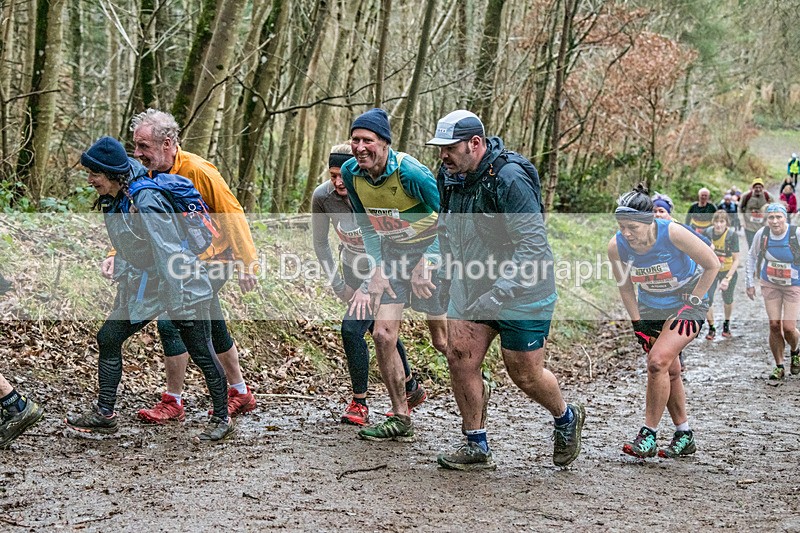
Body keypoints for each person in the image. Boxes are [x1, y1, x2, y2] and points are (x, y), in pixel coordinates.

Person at [427, 109, 584, 471]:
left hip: (523, 289)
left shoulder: (510, 178)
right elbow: (447, 228)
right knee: (460, 356)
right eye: (440, 148)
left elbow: (532, 245)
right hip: (473, 284)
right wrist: (444, 279)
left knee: (525, 375)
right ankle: (476, 446)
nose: (443, 156)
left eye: (449, 148)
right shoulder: (449, 176)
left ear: (475, 144)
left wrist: (500, 292)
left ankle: (565, 417)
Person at [65, 136, 233, 440]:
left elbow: (169, 253)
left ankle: (222, 417)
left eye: (94, 175)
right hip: (147, 285)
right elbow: (134, 244)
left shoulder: (146, 200)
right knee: (109, 336)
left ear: (111, 173)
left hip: (182, 282)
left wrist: (178, 300)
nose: (89, 180)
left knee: (200, 350)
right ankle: (105, 413)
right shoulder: (118, 192)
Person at [121, 109, 259, 423]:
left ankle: (173, 401)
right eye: (136, 146)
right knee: (213, 322)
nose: (137, 153)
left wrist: (247, 264)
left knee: (174, 319)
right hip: (182, 263)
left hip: (215, 259)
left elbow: (233, 214)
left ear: (167, 143)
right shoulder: (145, 177)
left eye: (144, 146)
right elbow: (135, 220)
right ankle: (239, 391)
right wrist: (117, 253)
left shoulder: (198, 170)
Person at [340, 108, 448, 442]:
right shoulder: (350, 172)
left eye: (367, 140)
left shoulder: (411, 173)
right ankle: (401, 415)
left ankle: (476, 384)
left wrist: (427, 261)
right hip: (392, 254)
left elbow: (449, 216)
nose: (360, 147)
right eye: (355, 139)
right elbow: (367, 226)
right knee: (383, 335)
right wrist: (377, 268)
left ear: (385, 144)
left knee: (445, 341)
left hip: (433, 250)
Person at [311, 143, 426, 426]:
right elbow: (320, 242)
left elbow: (389, 242)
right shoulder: (323, 197)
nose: (338, 182)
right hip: (351, 267)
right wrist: (338, 284)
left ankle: (359, 402)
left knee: (352, 329)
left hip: (385, 270)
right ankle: (410, 387)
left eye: (343, 174)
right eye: (332, 175)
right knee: (378, 328)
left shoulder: (373, 192)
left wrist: (366, 288)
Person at [608, 185, 719, 459]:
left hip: (687, 303)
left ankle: (648, 434)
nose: (626, 233)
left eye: (632, 226)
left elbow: (713, 264)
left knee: (657, 362)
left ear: (650, 221)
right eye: (622, 226)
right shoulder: (616, 246)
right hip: (651, 306)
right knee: (669, 370)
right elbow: (625, 287)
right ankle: (684, 434)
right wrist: (637, 324)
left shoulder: (673, 233)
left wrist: (693, 301)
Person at [745, 203, 800, 380]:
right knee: (774, 325)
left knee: (789, 327)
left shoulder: (795, 234)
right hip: (770, 283)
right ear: (766, 219)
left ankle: (795, 350)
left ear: (785, 217)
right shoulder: (762, 234)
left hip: (793, 284)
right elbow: (751, 256)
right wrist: (749, 282)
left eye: (779, 217)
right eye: (771, 217)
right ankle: (779, 365)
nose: (775, 221)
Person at [703, 210, 740, 339]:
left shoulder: (732, 235)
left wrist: (727, 279)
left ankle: (726, 323)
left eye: (722, 222)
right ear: (712, 222)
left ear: (726, 223)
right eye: (716, 221)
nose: (718, 225)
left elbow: (736, 260)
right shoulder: (707, 233)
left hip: (727, 270)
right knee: (707, 299)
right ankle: (711, 327)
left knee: (728, 299)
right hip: (712, 270)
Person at [740, 178, 771, 248]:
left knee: (762, 246)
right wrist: (742, 221)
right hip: (749, 226)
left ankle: (761, 258)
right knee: (751, 245)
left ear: (763, 188)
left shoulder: (768, 196)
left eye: (760, 187)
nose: (758, 189)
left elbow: (774, 208)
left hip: (762, 226)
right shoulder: (746, 196)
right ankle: (752, 258)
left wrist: (769, 221)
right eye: (756, 187)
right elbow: (739, 208)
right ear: (753, 188)